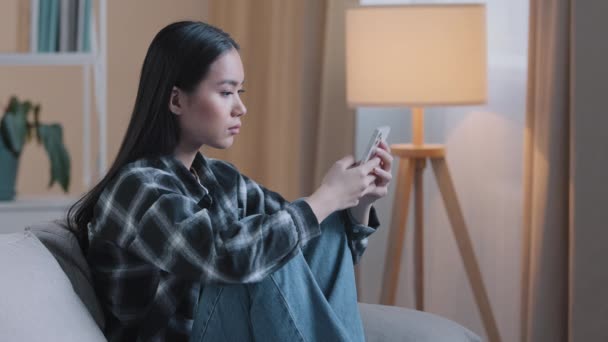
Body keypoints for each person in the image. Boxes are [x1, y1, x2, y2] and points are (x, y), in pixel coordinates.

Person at [67, 21, 393, 342]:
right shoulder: (137, 188)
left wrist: (357, 203)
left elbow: (310, 244)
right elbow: (228, 258)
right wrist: (328, 196)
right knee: (265, 246)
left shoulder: (222, 178)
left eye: (240, 91)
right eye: (226, 92)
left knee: (309, 230)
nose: (241, 108)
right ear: (177, 100)